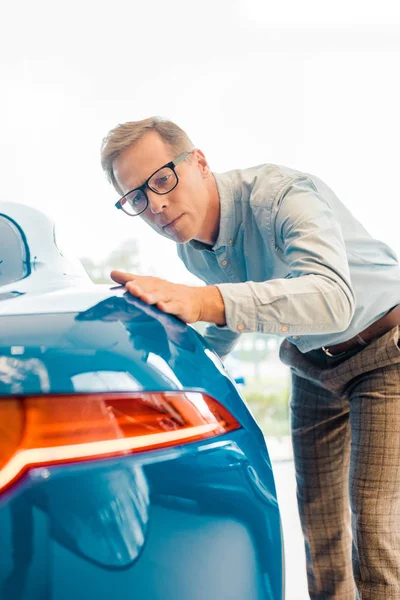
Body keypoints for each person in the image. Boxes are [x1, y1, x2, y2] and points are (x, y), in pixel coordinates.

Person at [100, 116, 400, 600]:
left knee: (374, 525)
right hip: (310, 363)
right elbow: (225, 325)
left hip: (386, 353)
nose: (155, 205)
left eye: (161, 180)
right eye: (137, 197)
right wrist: (168, 365)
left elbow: (333, 298)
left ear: (198, 162)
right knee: (318, 524)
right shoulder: (191, 246)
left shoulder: (281, 196)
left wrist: (203, 302)